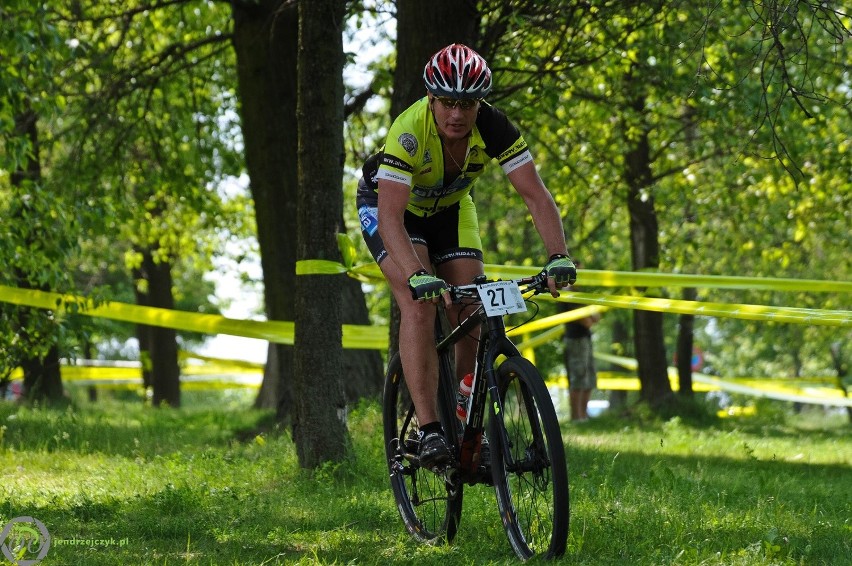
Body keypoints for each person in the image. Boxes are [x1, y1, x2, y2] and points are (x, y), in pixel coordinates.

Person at [356, 44, 576, 469]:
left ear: (480, 104)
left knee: (472, 304)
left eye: (469, 104)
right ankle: (430, 429)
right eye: (449, 103)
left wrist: (557, 256)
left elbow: (536, 194)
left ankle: (465, 409)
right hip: (394, 212)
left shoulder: (495, 127)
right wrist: (418, 274)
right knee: (418, 305)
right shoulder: (408, 132)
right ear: (432, 100)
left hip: (452, 208)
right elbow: (390, 217)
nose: (458, 113)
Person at [563, 267, 600, 422]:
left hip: (586, 340)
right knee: (578, 378)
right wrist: (589, 316)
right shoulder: (567, 295)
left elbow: (596, 317)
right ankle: (576, 417)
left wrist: (590, 316)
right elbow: (587, 322)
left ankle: (584, 415)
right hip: (575, 340)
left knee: (589, 378)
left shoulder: (581, 295)